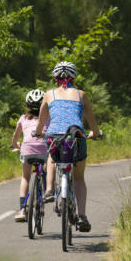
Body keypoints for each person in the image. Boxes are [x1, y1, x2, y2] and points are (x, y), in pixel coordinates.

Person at [34, 61, 101, 233]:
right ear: (74, 77)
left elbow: (41, 119)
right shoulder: (81, 94)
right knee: (78, 178)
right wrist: (96, 133)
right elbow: (91, 119)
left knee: (51, 156)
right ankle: (82, 216)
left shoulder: (49, 95)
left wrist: (38, 132)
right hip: (76, 137)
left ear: (56, 78)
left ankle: (49, 189)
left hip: (55, 137)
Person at [11, 89, 49, 222]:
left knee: (25, 177)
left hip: (27, 149)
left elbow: (15, 139)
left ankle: (22, 209)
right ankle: (43, 205)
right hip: (44, 151)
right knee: (44, 173)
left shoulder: (23, 118)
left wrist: (16, 145)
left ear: (27, 105)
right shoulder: (48, 118)